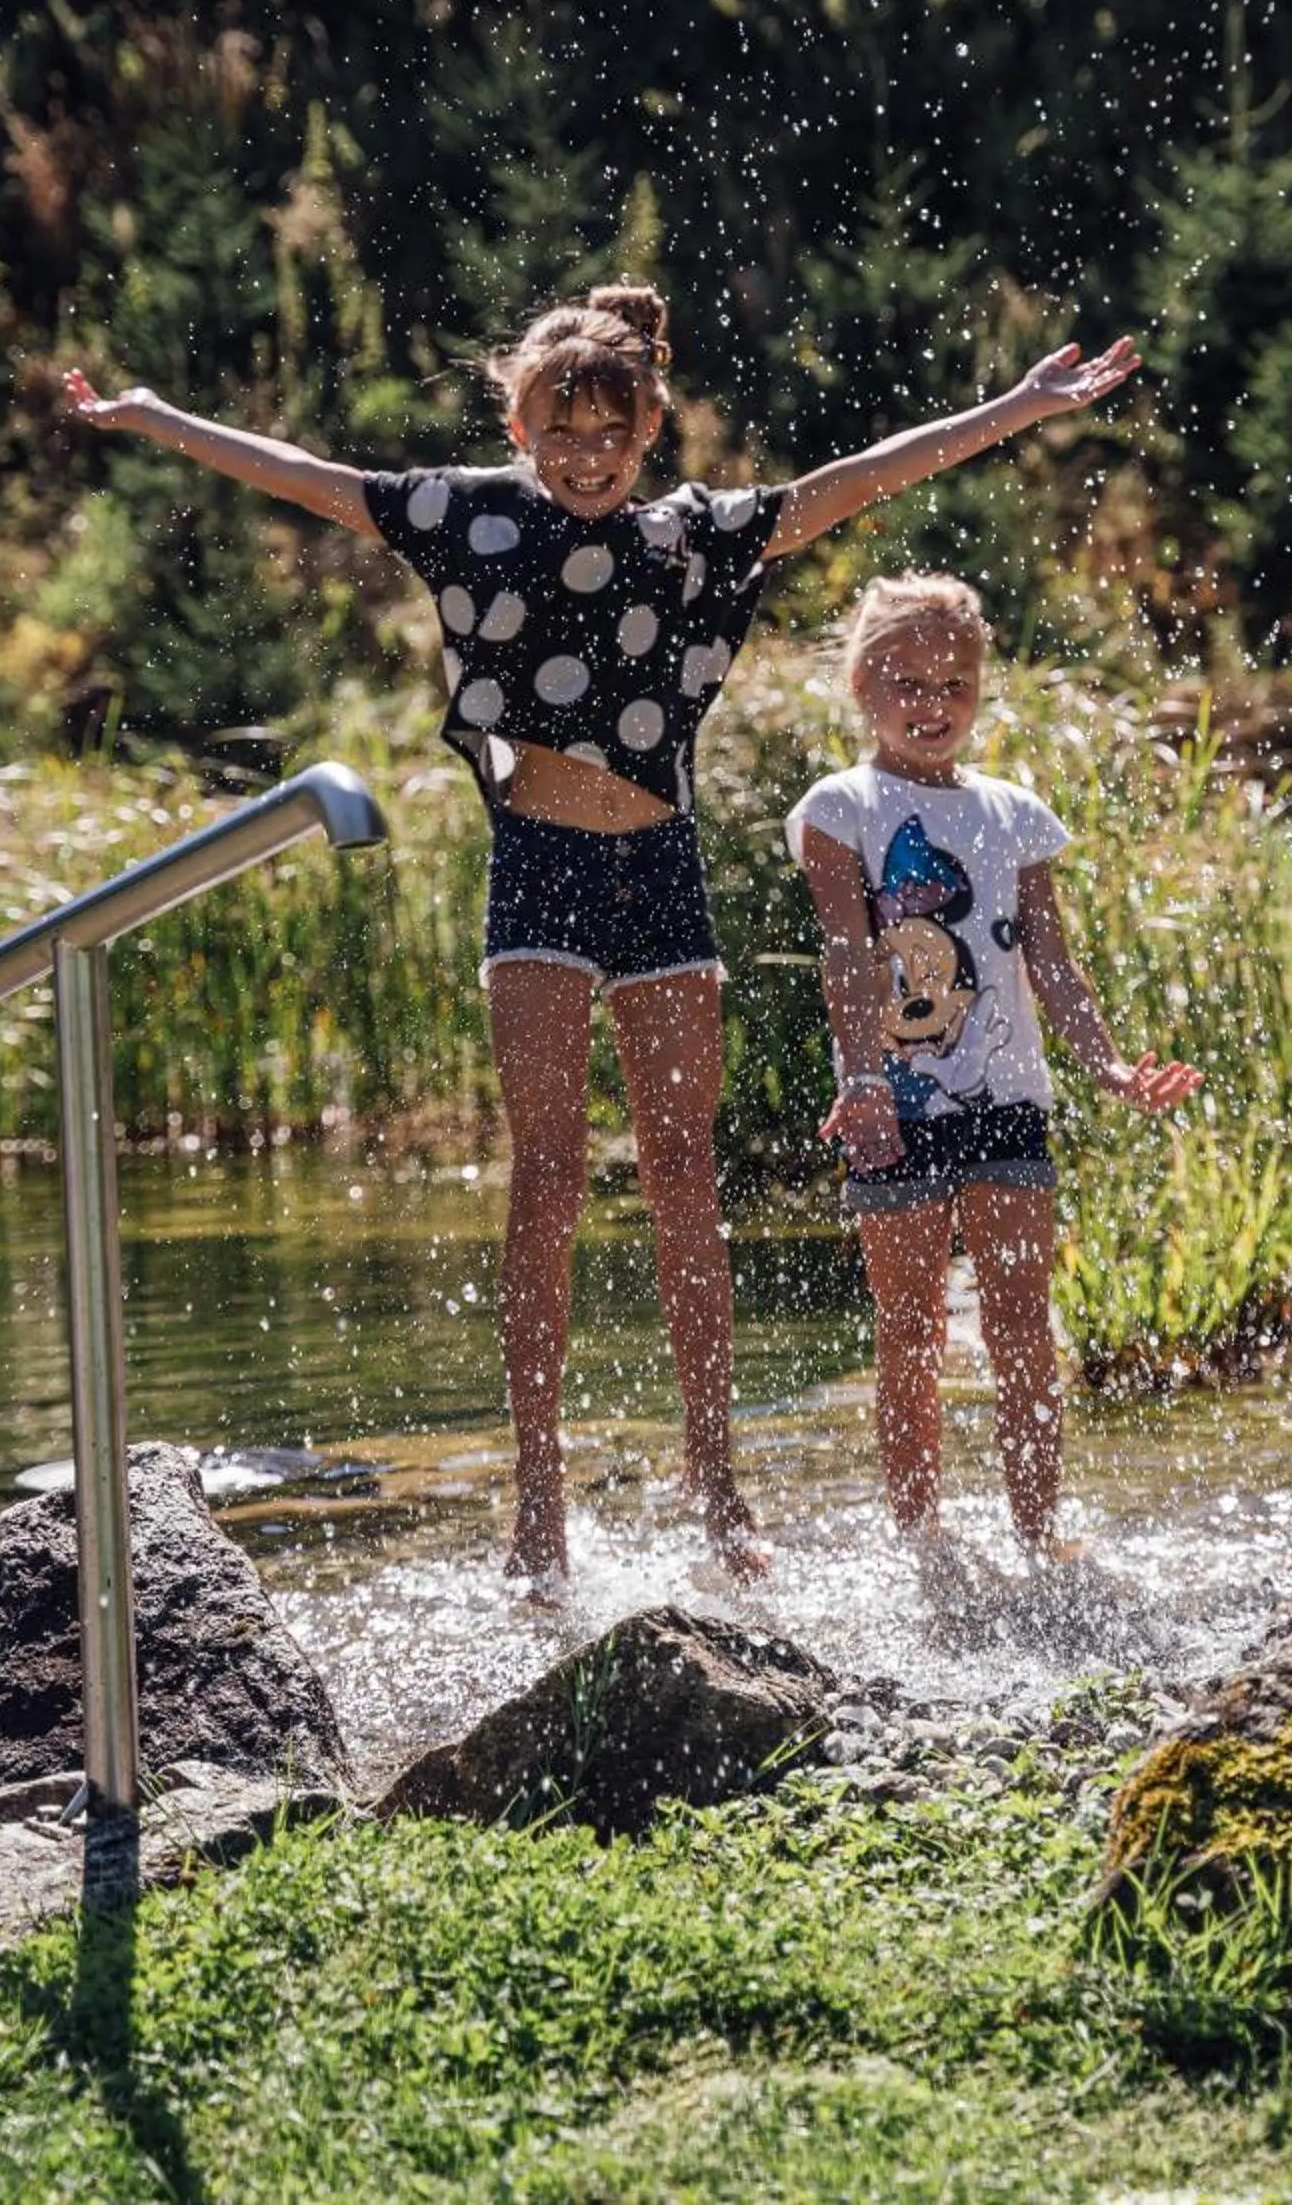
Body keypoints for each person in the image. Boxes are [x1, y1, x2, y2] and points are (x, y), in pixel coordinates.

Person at [64, 290, 1141, 1586]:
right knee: (552, 1173)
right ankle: (539, 1497)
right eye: (559, 433)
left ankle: (719, 1486)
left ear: (647, 433)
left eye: (611, 439)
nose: (584, 459)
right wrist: (150, 418)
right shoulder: (468, 514)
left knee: (685, 1169)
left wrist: (1019, 410)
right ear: (516, 422)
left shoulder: (690, 539)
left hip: (659, 870)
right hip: (537, 864)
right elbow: (304, 477)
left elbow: (854, 479)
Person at [786, 570, 1200, 1563]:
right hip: (889, 1108)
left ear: (977, 691)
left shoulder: (1016, 814)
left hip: (1009, 1105)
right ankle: (922, 1538)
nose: (932, 706)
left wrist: (1102, 1066)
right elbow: (845, 956)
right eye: (907, 685)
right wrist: (861, 1081)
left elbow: (1048, 961)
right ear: (860, 688)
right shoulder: (838, 808)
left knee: (1019, 1326)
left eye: (953, 687)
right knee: (909, 1333)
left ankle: (1038, 1531)